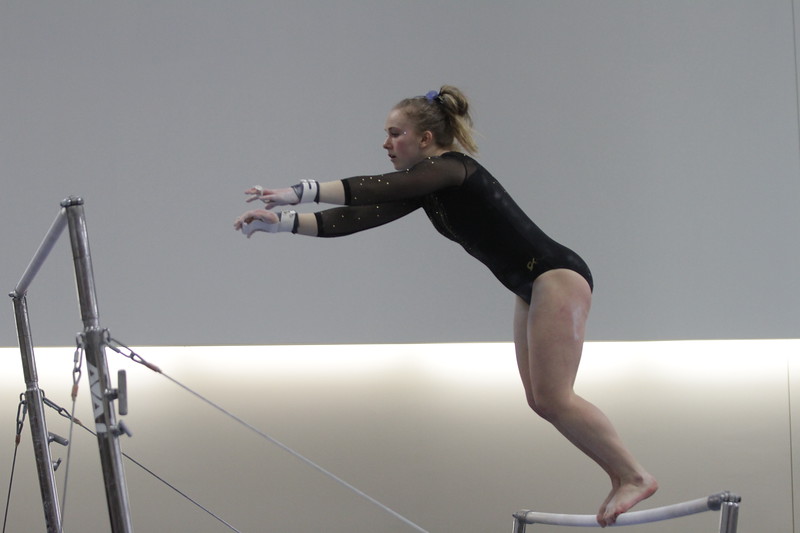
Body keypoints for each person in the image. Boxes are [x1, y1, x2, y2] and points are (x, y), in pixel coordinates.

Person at [233, 85, 658, 526]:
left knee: (556, 396)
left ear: (425, 140)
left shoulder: (454, 170)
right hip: (530, 284)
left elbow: (373, 187)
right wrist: (281, 224)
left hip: (554, 275)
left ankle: (634, 474)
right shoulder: (427, 190)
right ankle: (620, 474)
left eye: (395, 133)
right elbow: (358, 215)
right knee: (541, 401)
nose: (385, 143)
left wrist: (297, 191)